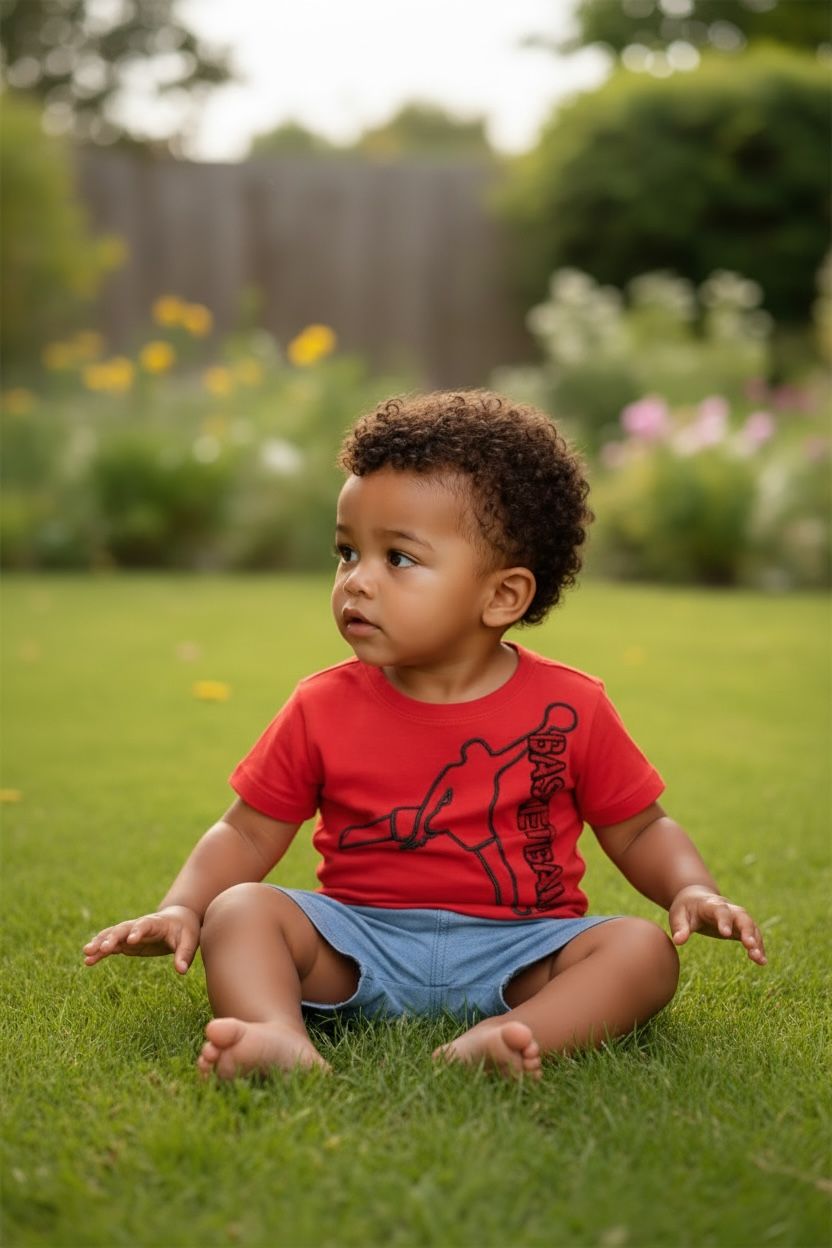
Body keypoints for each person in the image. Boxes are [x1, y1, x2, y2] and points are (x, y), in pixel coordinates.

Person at [84, 390, 767, 1080]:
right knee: (239, 914)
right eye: (347, 553)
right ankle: (274, 1033)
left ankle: (514, 1035)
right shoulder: (322, 704)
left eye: (398, 559)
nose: (357, 583)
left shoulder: (572, 706)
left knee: (642, 952)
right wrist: (182, 907)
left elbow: (642, 828)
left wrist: (690, 889)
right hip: (359, 944)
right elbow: (247, 832)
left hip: (521, 948)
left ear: (502, 596)